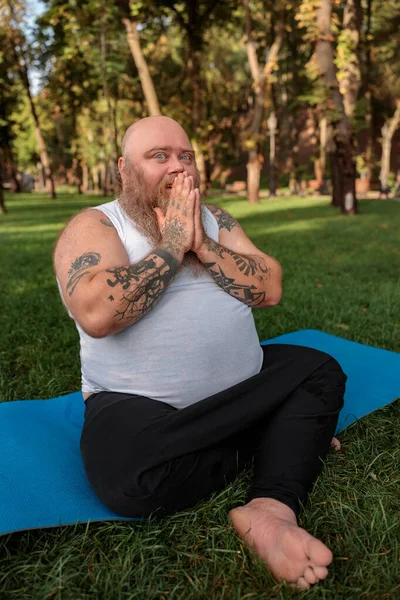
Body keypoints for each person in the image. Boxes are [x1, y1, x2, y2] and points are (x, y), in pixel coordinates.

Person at [53, 116, 347, 591]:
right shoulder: (97, 223)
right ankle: (275, 435)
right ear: (124, 171)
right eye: (159, 156)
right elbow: (96, 313)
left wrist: (202, 244)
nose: (177, 167)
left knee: (320, 369)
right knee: (131, 475)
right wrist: (172, 246)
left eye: (185, 156)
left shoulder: (216, 220)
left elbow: (269, 287)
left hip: (241, 390)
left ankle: (269, 509)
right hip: (141, 409)